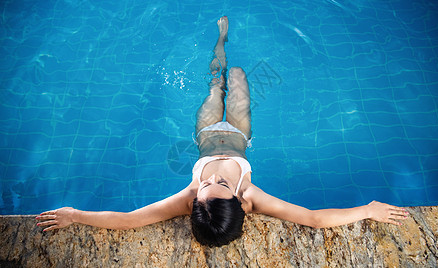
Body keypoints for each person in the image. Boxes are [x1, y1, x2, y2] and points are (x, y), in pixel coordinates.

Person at [36, 16, 410, 247]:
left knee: (216, 83)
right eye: (221, 183)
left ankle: (220, 41)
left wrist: (75, 214)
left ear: (197, 203)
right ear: (237, 200)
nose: (212, 175)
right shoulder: (249, 194)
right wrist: (367, 210)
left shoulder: (190, 197)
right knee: (240, 79)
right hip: (239, 135)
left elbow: (129, 219)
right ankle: (226, 45)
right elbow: (312, 218)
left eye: (208, 184)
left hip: (206, 132)